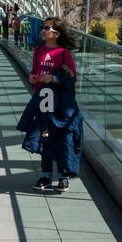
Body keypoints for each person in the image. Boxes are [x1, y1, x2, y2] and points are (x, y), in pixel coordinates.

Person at [17, 17, 83, 191]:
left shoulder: (63, 53)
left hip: (60, 106)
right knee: (45, 137)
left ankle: (63, 176)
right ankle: (46, 175)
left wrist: (53, 78)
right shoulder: (38, 50)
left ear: (57, 34)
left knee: (62, 138)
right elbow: (35, 71)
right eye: (43, 27)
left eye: (47, 28)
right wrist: (32, 77)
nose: (43, 30)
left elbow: (72, 77)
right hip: (44, 104)